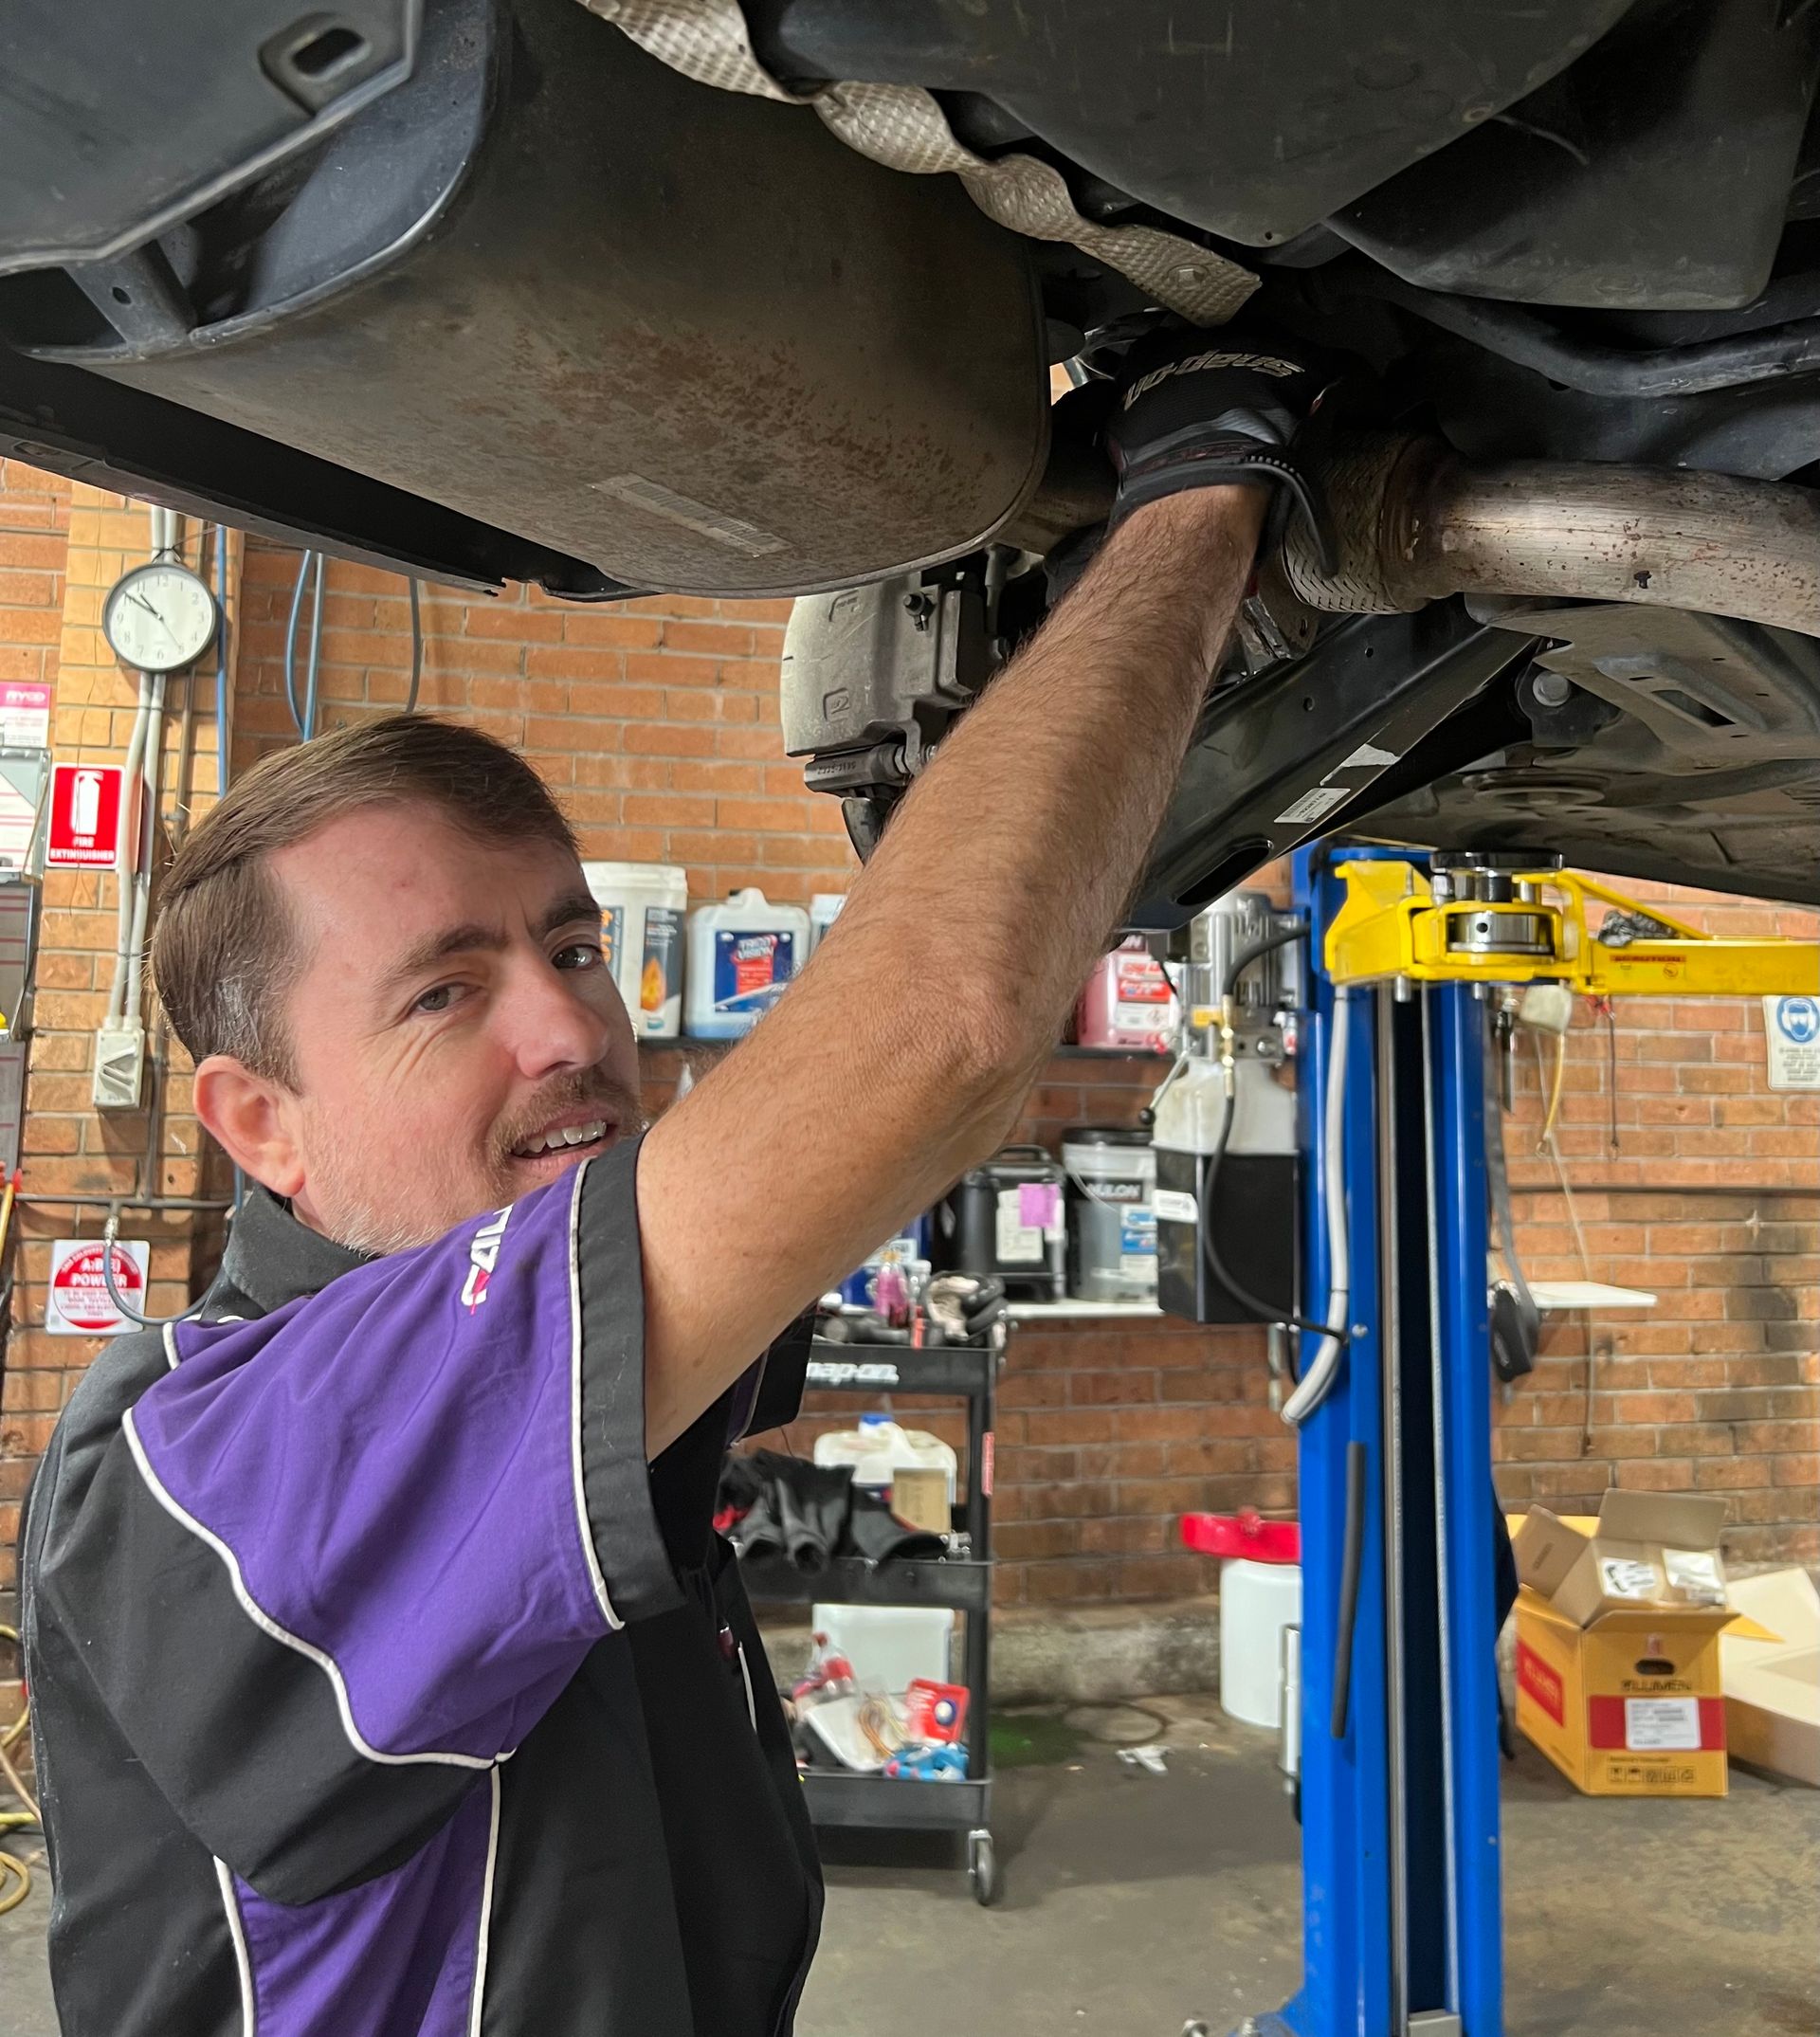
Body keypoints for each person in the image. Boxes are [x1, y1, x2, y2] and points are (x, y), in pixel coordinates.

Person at [19, 331, 1332, 2034]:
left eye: (574, 944)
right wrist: (1202, 487)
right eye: (446, 989)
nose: (571, 1023)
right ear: (256, 1124)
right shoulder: (222, 1455)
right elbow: (938, 1025)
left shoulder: (533, 1377)